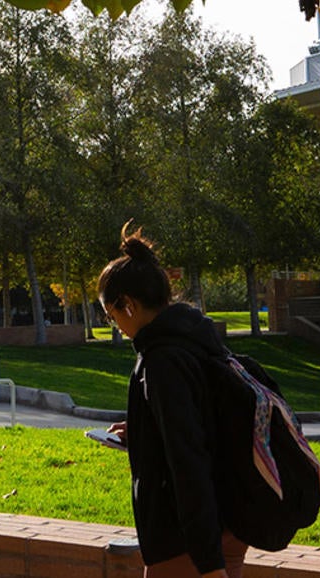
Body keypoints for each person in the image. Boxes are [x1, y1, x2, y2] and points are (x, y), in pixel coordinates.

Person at [94, 226, 249, 578]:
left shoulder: (161, 360)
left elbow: (187, 461)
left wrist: (208, 564)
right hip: (230, 516)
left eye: (111, 316)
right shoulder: (198, 339)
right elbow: (203, 420)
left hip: (186, 538)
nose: (114, 325)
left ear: (128, 305)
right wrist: (146, 430)